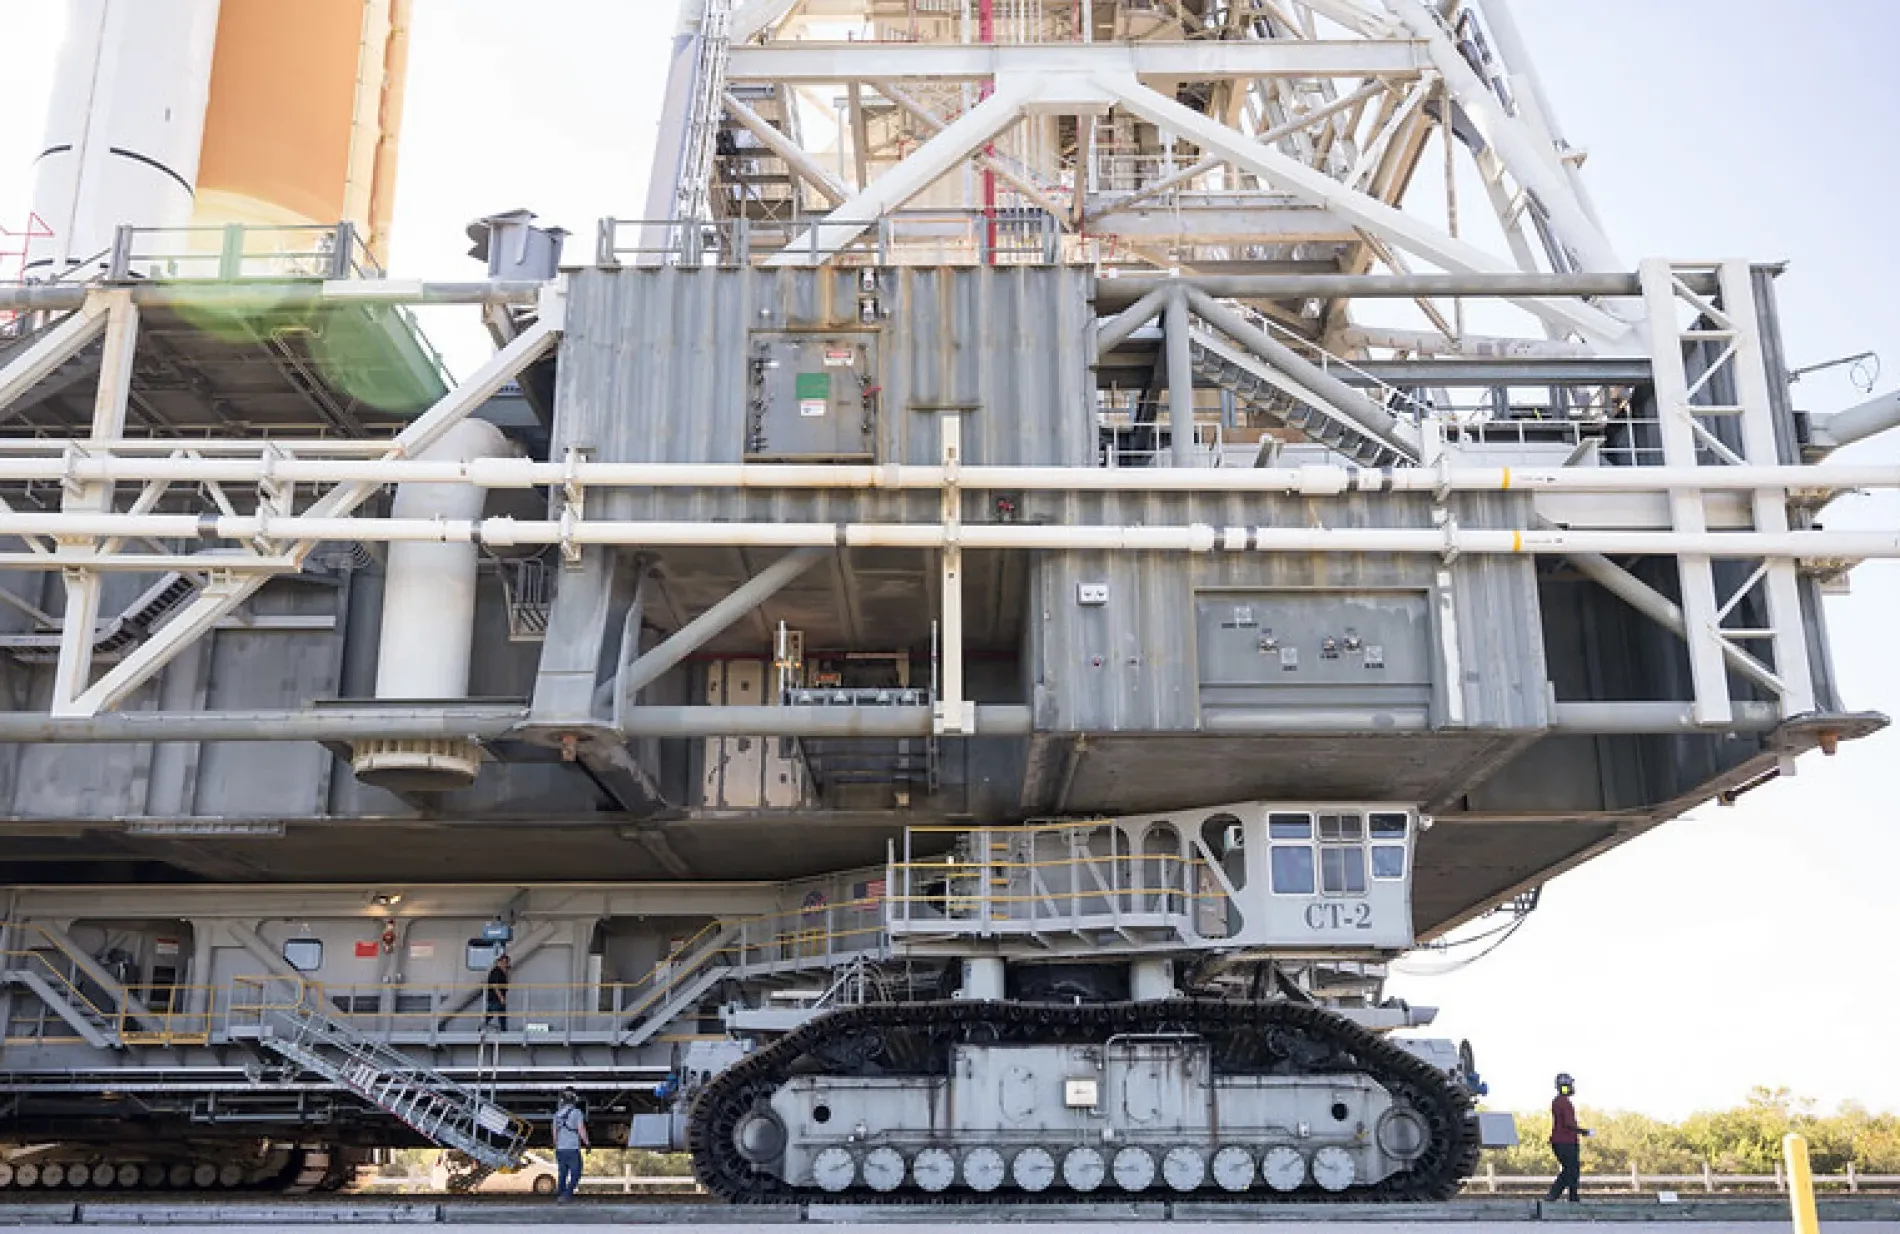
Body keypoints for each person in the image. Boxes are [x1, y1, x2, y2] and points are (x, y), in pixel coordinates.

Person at [1546, 1071, 1592, 1203]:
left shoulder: (1559, 1101)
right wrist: (1584, 1131)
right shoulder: (1564, 1103)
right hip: (1565, 1142)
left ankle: (1572, 1197)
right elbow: (1568, 1123)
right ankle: (1554, 1195)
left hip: (1561, 1141)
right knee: (1571, 1170)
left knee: (1572, 1170)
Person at [552, 1088, 590, 1202]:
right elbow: (581, 1129)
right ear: (574, 1100)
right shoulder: (577, 1113)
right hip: (572, 1148)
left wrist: (556, 1145)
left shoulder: (557, 1115)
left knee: (562, 1172)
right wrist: (587, 1143)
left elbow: (554, 1132)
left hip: (560, 1148)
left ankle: (560, 1193)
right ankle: (567, 1195)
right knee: (576, 1172)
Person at [482, 953, 510, 1032]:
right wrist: (501, 997)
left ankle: (503, 1030)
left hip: (497, 998)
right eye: (504, 962)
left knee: (500, 1015)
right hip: (495, 998)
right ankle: (483, 1027)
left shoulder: (502, 972)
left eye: (506, 962)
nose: (505, 964)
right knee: (494, 1015)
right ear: (500, 962)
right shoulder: (496, 972)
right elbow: (495, 985)